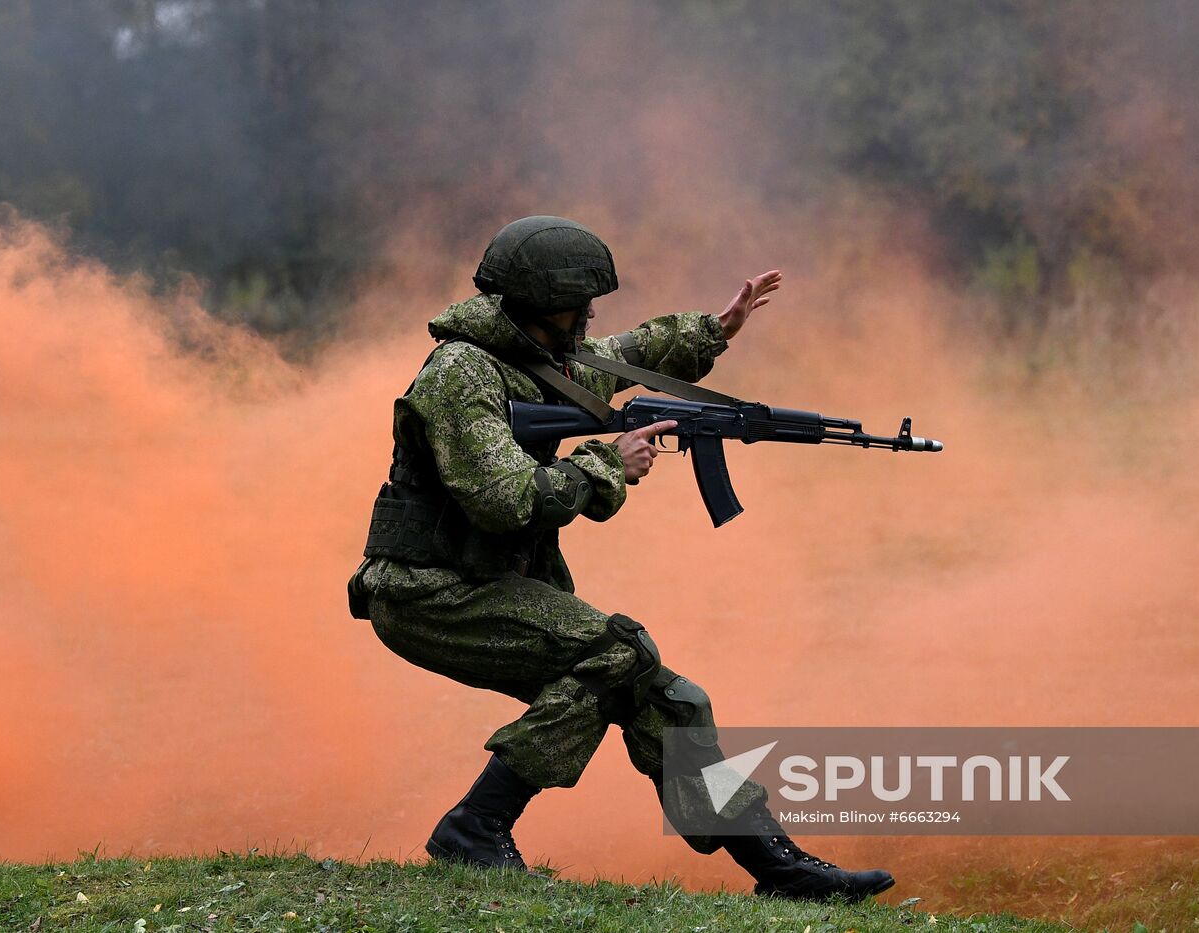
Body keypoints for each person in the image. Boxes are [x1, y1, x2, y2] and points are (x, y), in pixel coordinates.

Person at [349, 215, 893, 901]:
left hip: (481, 580)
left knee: (673, 697)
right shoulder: (461, 374)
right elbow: (502, 500)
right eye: (580, 302)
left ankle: (779, 867)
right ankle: (476, 825)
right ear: (543, 303)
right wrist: (608, 461)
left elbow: (624, 350)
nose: (590, 314)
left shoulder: (533, 355)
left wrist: (713, 330)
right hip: (428, 590)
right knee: (617, 652)